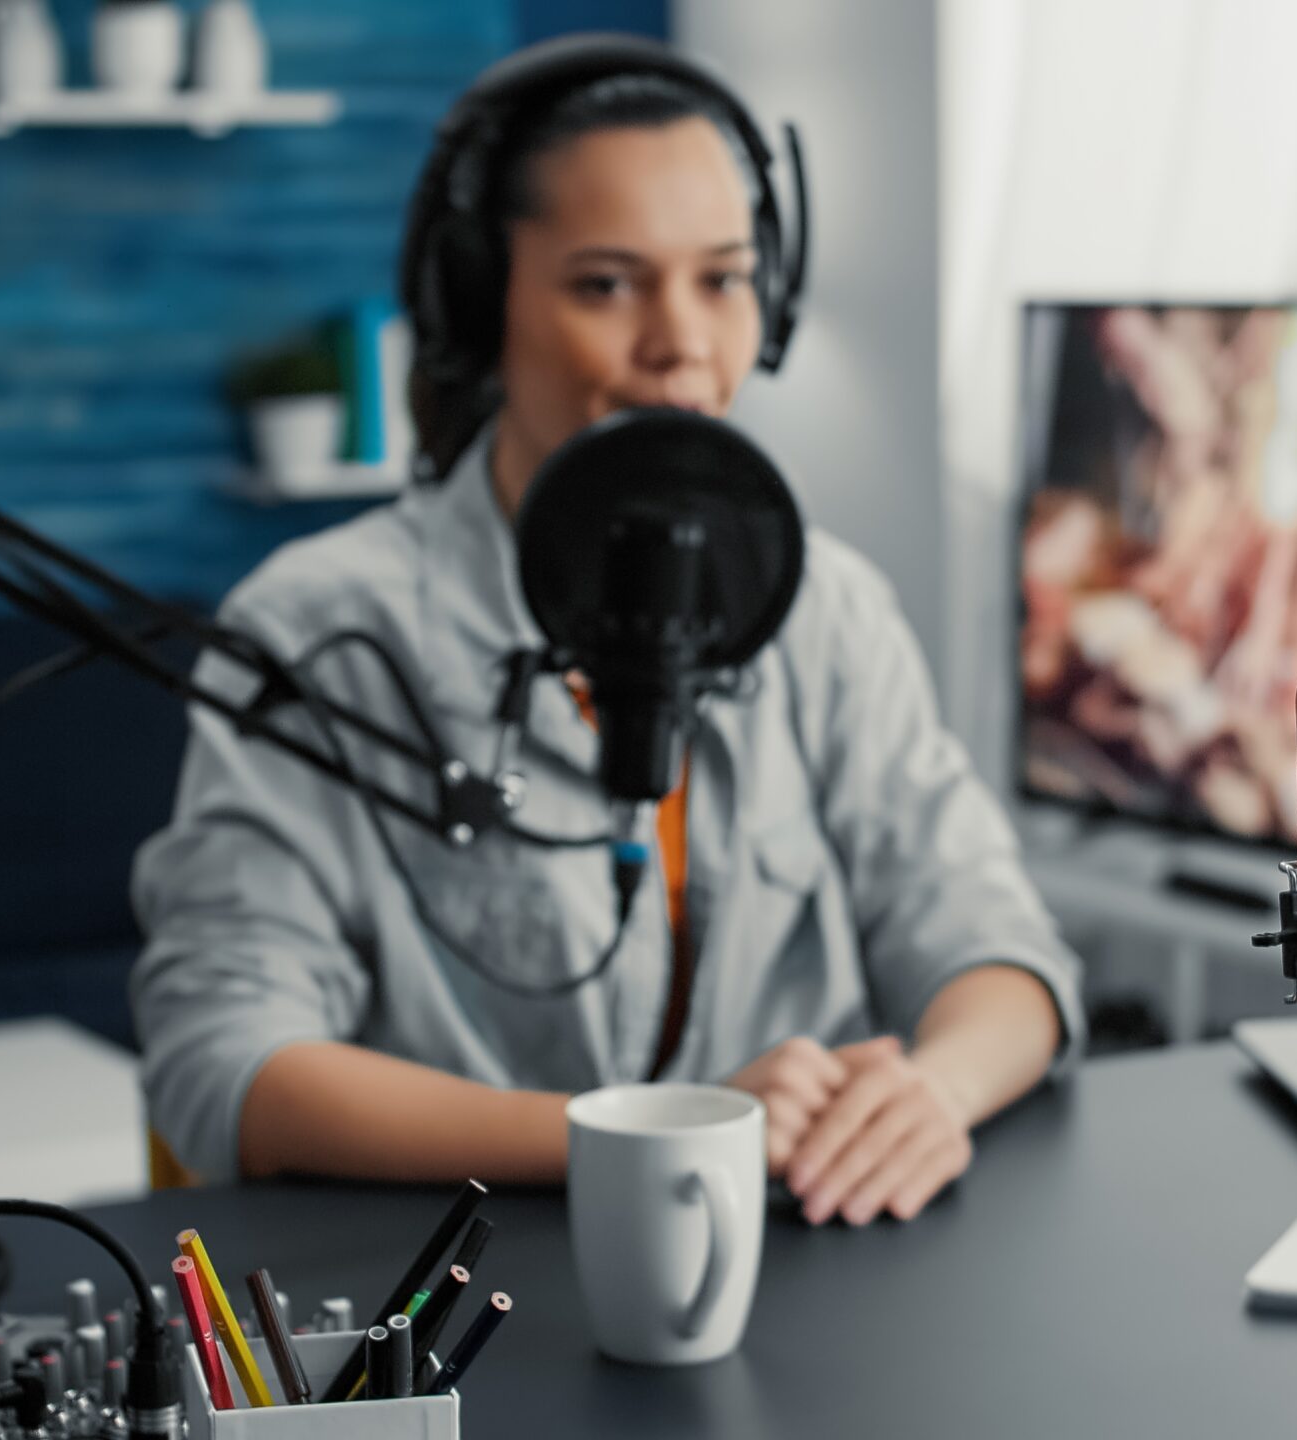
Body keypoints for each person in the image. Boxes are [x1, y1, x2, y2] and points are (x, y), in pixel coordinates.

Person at [130, 36, 1083, 1228]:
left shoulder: (828, 609)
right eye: (606, 284)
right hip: (467, 1302)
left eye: (723, 278)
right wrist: (650, 1133)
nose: (682, 340)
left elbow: (998, 946)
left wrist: (931, 1093)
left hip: (804, 1279)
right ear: (482, 311)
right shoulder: (319, 624)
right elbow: (228, 1059)